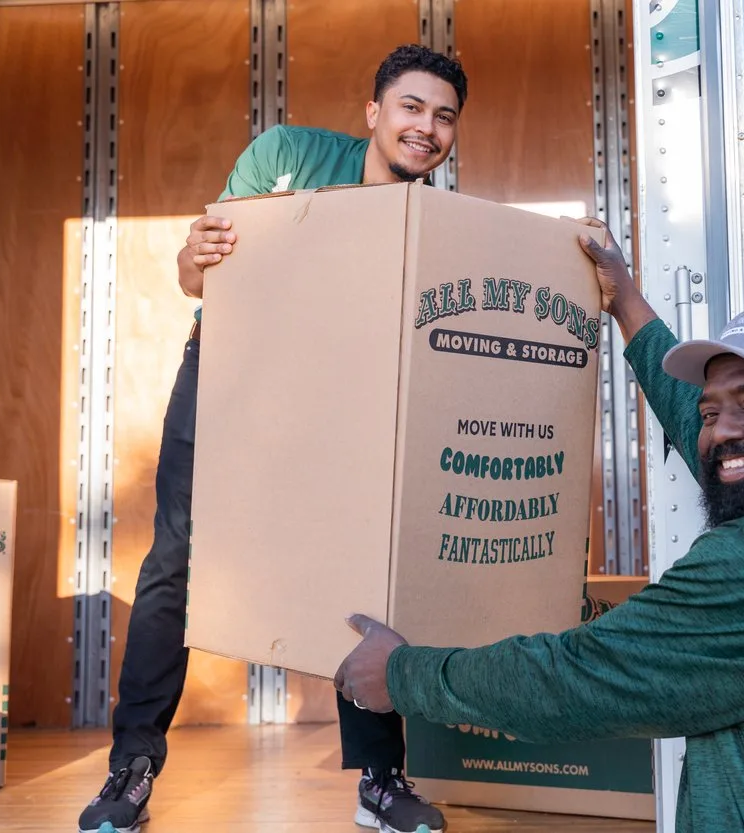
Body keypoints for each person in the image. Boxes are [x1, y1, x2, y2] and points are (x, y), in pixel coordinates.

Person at [334, 220, 744, 832]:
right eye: (713, 410)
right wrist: (626, 303)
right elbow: (724, 439)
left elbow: (574, 679)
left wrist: (400, 675)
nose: (723, 429)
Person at [77, 44, 466, 833]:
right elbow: (199, 275)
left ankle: (381, 781)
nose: (426, 129)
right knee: (176, 560)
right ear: (375, 112)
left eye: (445, 117)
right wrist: (193, 257)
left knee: (358, 574)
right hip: (231, 370)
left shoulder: (432, 221)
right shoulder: (286, 154)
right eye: (412, 108)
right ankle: (132, 769)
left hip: (343, 392)